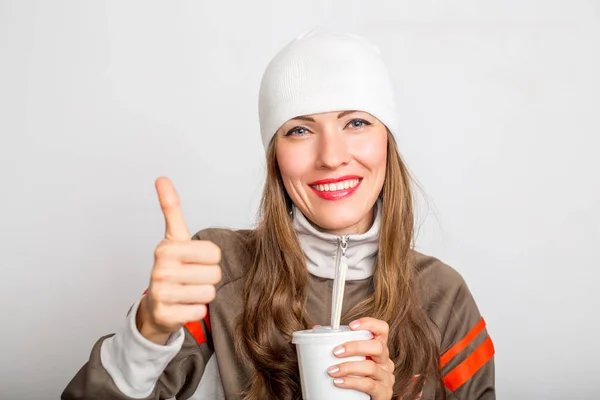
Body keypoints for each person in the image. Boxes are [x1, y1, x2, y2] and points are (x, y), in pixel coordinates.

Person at [62, 29, 495, 400]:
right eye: (300, 130)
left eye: (357, 122)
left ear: (388, 141)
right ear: (275, 157)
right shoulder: (214, 271)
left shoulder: (444, 297)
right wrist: (148, 332)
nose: (331, 156)